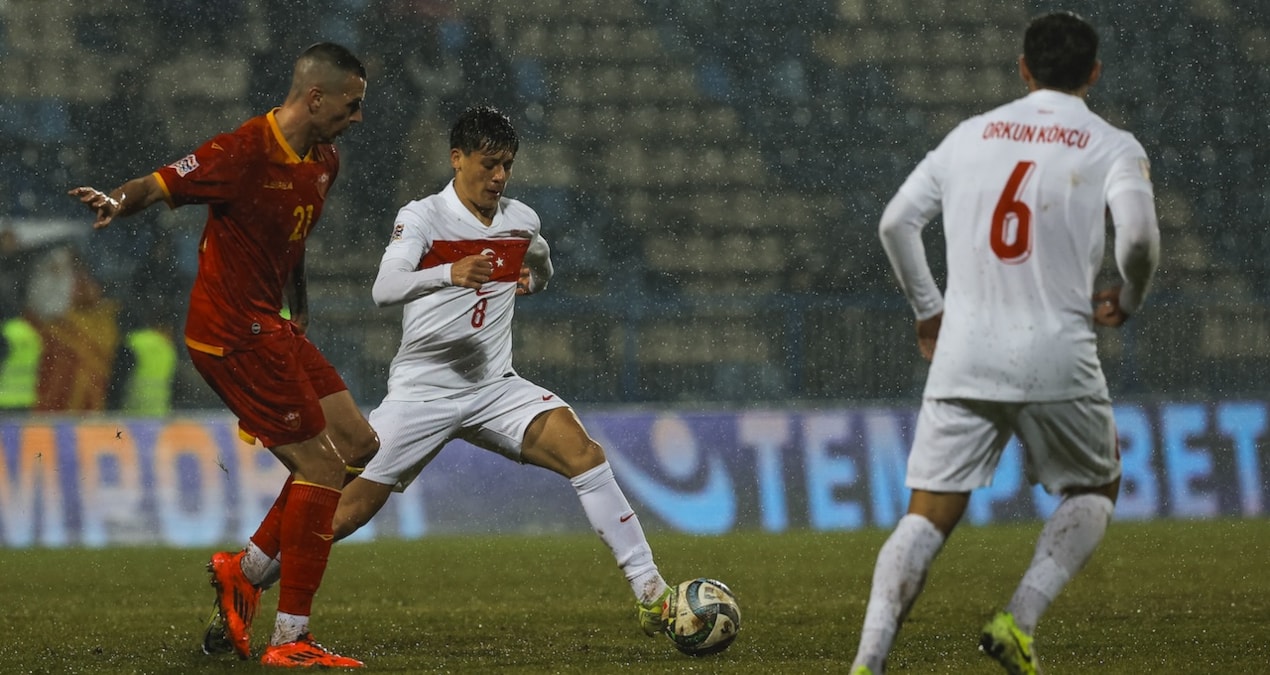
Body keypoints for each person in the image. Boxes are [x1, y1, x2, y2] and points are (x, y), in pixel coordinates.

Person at [211, 105, 677, 642]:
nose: (499, 177)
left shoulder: (521, 221)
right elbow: (384, 288)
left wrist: (535, 280)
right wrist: (447, 273)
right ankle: (246, 580)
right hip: (422, 393)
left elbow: (541, 260)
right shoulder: (423, 217)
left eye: (507, 165)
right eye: (488, 164)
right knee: (342, 516)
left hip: (495, 387)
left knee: (585, 454)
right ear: (457, 158)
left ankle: (652, 593)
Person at [849, 12, 1160, 675]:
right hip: (1057, 350)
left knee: (926, 515)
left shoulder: (970, 135)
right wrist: (1130, 295)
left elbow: (896, 223)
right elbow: (1137, 237)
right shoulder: (1112, 145)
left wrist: (930, 310)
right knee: (1096, 485)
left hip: (965, 351)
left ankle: (868, 660)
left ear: (1023, 68)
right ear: (1094, 72)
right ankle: (1018, 620)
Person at [68, 42, 380, 669]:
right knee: (322, 467)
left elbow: (292, 240)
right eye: (351, 105)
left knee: (358, 444)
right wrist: (115, 202)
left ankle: (247, 571)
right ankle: (290, 640)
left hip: (272, 324)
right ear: (315, 97)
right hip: (231, 333)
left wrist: (298, 305)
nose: (358, 117)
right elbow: (158, 184)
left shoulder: (324, 160)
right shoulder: (243, 150)